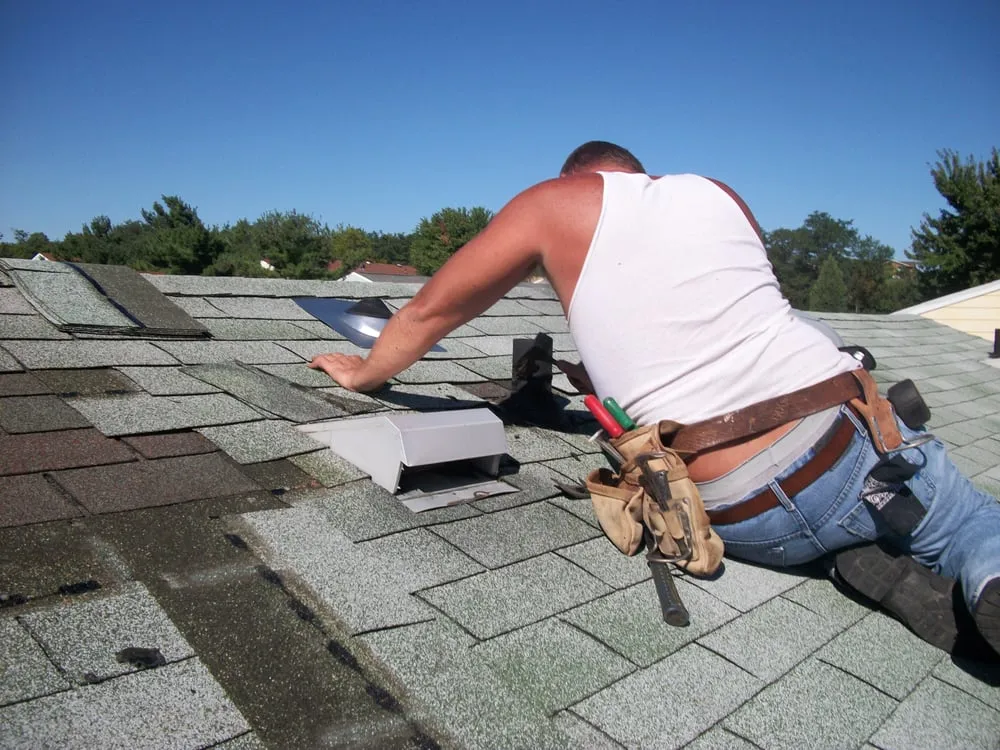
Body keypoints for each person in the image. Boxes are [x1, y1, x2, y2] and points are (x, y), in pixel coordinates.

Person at [309, 141, 1000, 656]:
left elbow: (432, 310)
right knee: (974, 524)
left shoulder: (552, 203)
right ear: (639, 173)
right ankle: (968, 567)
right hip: (853, 461)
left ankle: (852, 558)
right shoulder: (718, 193)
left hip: (737, 517)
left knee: (825, 523)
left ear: (576, 178)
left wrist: (366, 375)